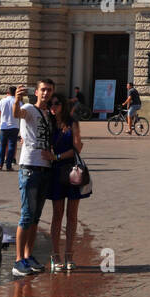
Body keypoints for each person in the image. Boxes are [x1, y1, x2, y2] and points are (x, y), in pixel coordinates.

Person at [13, 80, 56, 277]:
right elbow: (17, 114)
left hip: (45, 168)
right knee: (26, 215)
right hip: (29, 167)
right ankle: (18, 261)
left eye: (49, 90)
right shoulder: (29, 108)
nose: (46, 93)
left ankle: (29, 256)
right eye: (43, 90)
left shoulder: (48, 114)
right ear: (37, 92)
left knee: (36, 218)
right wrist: (16, 100)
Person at [46, 96, 88, 271]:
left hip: (71, 170)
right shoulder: (47, 123)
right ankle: (55, 255)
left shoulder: (72, 123)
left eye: (57, 103)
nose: (53, 107)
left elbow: (78, 147)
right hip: (55, 173)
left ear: (63, 106)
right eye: (50, 104)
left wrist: (57, 156)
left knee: (72, 215)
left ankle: (69, 254)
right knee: (57, 214)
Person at [0, 86, 19, 171]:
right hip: (14, 126)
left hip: (3, 126)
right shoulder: (17, 101)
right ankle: (9, 165)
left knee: (2, 146)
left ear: (8, 92)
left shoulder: (3, 100)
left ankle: (0, 164)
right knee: (11, 146)